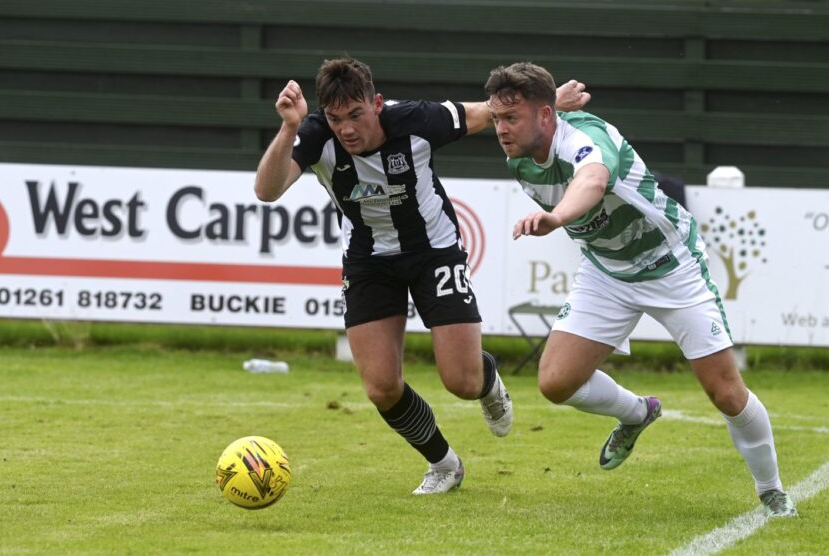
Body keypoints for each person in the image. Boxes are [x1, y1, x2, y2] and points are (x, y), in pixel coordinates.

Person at [255, 57, 589, 495]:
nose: (347, 129)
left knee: (462, 381)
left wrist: (547, 103)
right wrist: (288, 129)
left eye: (356, 115)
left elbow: (480, 114)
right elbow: (267, 190)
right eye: (336, 119)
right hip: (368, 261)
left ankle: (488, 381)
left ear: (376, 104)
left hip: (434, 251)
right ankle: (443, 463)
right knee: (381, 387)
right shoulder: (315, 135)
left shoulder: (413, 118)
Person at [483, 61, 797, 518]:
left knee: (726, 393)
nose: (501, 130)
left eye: (511, 118)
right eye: (496, 119)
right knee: (555, 382)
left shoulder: (587, 140)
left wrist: (557, 218)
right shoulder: (519, 160)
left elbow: (592, 180)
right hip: (607, 271)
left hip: (672, 265)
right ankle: (636, 413)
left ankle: (771, 490)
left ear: (547, 115)